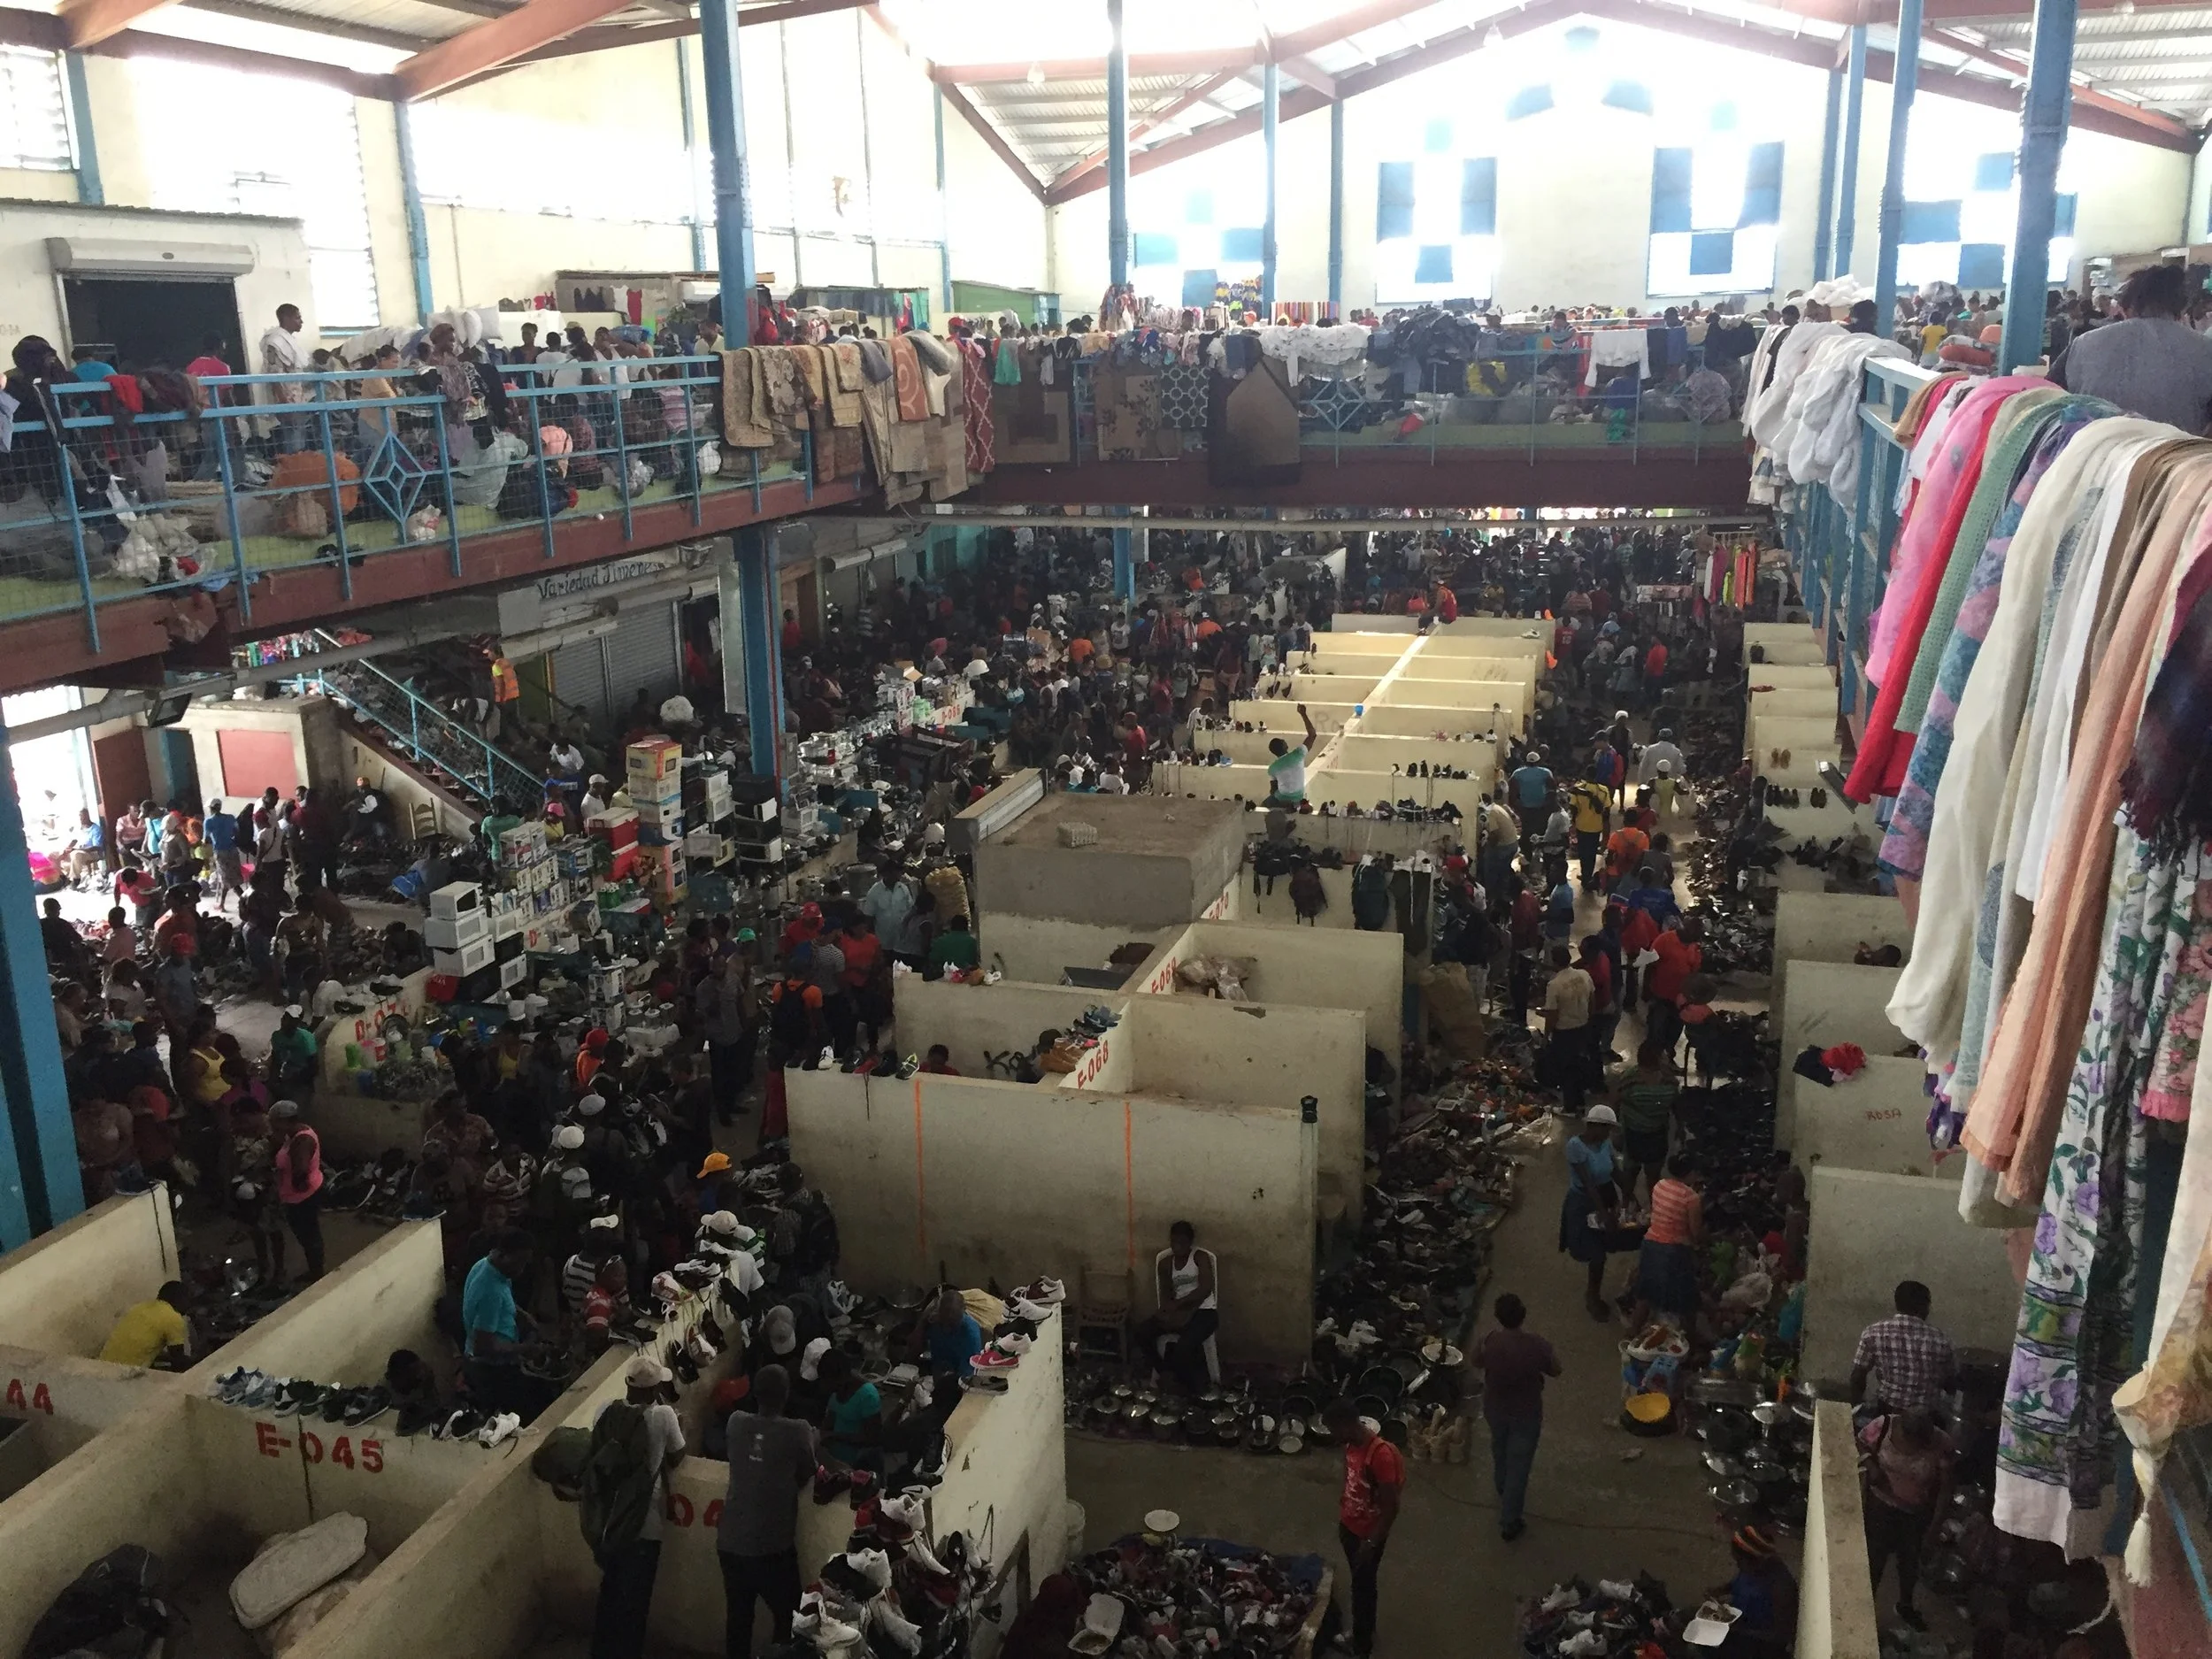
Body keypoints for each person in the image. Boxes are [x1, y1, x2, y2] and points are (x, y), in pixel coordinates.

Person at [589, 1353, 686, 1659]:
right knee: (635, 1605)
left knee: (610, 1595)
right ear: (653, 1388)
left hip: (609, 1520)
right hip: (644, 1523)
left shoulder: (605, 1410)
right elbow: (676, 1456)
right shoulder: (662, 1416)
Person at [718, 1362, 812, 1659]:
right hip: (771, 1545)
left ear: (755, 1393)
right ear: (786, 1394)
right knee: (791, 1616)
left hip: (730, 1540)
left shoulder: (735, 1422)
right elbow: (808, 1470)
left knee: (739, 1618)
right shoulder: (798, 1430)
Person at [2048, 261, 2212, 433]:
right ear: (2182, 307)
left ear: (2126, 308)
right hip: (2172, 455)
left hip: (2093, 451)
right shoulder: (2205, 349)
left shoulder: (2084, 343)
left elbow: (2049, 398)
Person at [1470, 1293, 1559, 1540]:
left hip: (1495, 1408)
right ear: (1523, 1315)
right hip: (1526, 1412)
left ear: (1499, 1317)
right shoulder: (1537, 1345)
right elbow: (1556, 1369)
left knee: (1500, 1449)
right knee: (1519, 1464)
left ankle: (1503, 1489)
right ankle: (1510, 1521)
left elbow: (1475, 1361)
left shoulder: (1489, 1341)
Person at [1321, 1396, 1403, 1659]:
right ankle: (1362, 1633)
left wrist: (1371, 1542)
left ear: (1346, 1424)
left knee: (1363, 1588)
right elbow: (1351, 1474)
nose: (1334, 1437)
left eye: (1334, 1430)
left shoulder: (1381, 1456)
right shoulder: (1351, 1444)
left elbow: (1391, 1507)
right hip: (1350, 1525)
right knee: (1360, 1583)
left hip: (1367, 1535)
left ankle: (1361, 1645)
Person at [1861, 1407, 1954, 1631]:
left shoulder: (1941, 1444)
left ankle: (1905, 1605)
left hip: (1915, 1514)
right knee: (1873, 1562)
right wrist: (1871, 1465)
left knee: (1910, 1564)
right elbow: (1860, 1442)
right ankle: (1863, 1611)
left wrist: (1934, 1528)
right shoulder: (1882, 1426)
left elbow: (1946, 1490)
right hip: (1880, 1508)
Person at [1849, 1280, 1957, 1414]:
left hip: (1887, 1412)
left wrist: (1856, 1407)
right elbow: (1951, 1384)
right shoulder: (1941, 1340)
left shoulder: (1873, 1333)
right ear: (1924, 1306)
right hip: (1926, 1419)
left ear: (1897, 1303)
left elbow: (1857, 1376)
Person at [462, 1227, 539, 1414]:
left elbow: (504, 1298)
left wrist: (523, 1314)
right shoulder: (491, 1290)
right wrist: (525, 1348)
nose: (522, 1269)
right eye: (519, 1262)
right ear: (503, 1255)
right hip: (492, 1370)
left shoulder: (486, 1265)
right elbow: (484, 1345)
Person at [1134, 1220, 1218, 1391]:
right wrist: (1167, 1312)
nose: (1177, 1247)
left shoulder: (1199, 1257)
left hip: (1204, 1312)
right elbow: (1166, 1294)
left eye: (1182, 1243)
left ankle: (1190, 1388)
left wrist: (1182, 1308)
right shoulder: (1165, 1264)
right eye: (1174, 1242)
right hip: (1179, 1310)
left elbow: (1205, 1289)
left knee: (1183, 1348)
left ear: (1190, 1242)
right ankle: (1165, 1372)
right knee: (1142, 1332)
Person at [1558, 1103, 1621, 1319]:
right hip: (1584, 1200)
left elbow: (1615, 1171)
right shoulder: (1576, 1146)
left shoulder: (1605, 1143)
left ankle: (1593, 1290)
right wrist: (1603, 1212)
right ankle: (1592, 1296)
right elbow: (1588, 1183)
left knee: (1604, 1245)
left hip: (1605, 1195)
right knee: (1596, 1254)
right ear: (1593, 1126)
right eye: (1606, 1128)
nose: (1608, 1133)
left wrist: (1629, 1194)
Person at [1632, 1155, 1704, 1326]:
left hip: (1650, 1245)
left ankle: (1633, 1333)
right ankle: (1691, 1343)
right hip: (1674, 1252)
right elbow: (1696, 1233)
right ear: (1692, 1172)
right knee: (1686, 1301)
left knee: (1646, 1293)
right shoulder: (1692, 1198)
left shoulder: (1660, 1185)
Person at [1610, 1041, 1679, 1198]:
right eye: (1663, 1056)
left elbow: (1676, 1105)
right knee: (1637, 1173)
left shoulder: (1667, 1079)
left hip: (1652, 1133)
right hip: (1637, 1134)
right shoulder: (1633, 1078)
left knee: (1646, 1174)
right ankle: (1633, 1206)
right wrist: (1616, 1130)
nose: (1666, 1058)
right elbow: (1614, 1100)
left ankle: (1645, 1207)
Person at [1718, 1525, 1798, 1655]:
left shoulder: (1781, 1589)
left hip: (1760, 1643)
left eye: (1739, 1561)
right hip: (1738, 1622)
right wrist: (1721, 1590)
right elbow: (1738, 1583)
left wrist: (1739, 1630)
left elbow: (1780, 1635)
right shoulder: (1751, 1569)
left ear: (1757, 1561)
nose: (1737, 1565)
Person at [272, 1099, 325, 1280]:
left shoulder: (301, 1140)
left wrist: (295, 1187)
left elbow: (301, 1169)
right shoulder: (295, 1133)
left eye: (275, 1122)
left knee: (309, 1236)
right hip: (299, 1194)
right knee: (309, 1235)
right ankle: (316, 1271)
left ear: (284, 1120)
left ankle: (317, 1274)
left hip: (302, 1197)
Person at [1541, 945, 1596, 1110]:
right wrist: (1588, 1020)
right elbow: (1592, 1000)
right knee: (1579, 1065)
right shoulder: (1584, 975)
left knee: (1566, 1070)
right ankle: (1580, 1101)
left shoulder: (1554, 985)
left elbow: (1552, 1015)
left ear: (1554, 961)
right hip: (1583, 1027)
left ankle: (1570, 1107)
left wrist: (1546, 1036)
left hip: (1564, 1032)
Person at [99, 1280, 192, 1366]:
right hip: (127, 1374)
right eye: (188, 1299)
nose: (189, 1305)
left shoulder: (140, 1308)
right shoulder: (174, 1318)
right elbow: (178, 1361)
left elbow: (138, 1347)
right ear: (180, 1299)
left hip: (103, 1365)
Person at [913, 1286, 983, 1380]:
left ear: (963, 1311)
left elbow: (967, 1375)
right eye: (944, 1319)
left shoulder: (971, 1335)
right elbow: (918, 1343)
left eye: (952, 1323)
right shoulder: (933, 1321)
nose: (947, 1327)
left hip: (960, 1377)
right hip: (938, 1367)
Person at [1264, 704, 1318, 805]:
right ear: (1285, 746)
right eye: (1282, 741)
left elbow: (1273, 790)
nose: (1284, 740)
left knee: (1264, 805)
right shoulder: (1298, 755)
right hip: (1298, 797)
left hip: (1281, 799)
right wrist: (1303, 714)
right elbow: (1312, 735)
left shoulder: (1272, 768)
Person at [926, 914, 980, 979]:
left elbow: (933, 959)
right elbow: (975, 962)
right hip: (967, 978)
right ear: (966, 926)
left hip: (945, 978)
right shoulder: (972, 942)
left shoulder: (940, 941)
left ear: (951, 926)